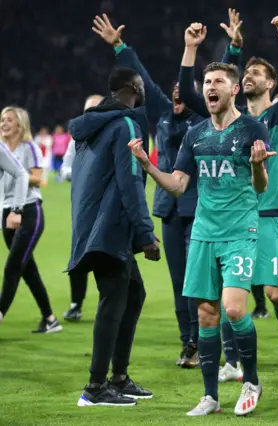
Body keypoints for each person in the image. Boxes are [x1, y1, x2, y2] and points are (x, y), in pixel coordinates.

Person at [130, 60, 270, 416]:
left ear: (234, 89)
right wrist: (148, 165)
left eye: (218, 81)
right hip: (205, 233)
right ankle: (210, 396)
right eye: (207, 81)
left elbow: (261, 187)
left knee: (235, 309)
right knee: (206, 316)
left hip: (240, 230)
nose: (211, 86)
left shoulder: (252, 127)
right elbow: (178, 185)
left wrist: (256, 166)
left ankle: (251, 380)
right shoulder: (196, 134)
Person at [178, 10, 278, 379]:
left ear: (269, 84)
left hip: (270, 219)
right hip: (234, 222)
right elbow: (192, 91)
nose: (249, 76)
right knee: (229, 299)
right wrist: (199, 50)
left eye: (257, 74)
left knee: (277, 294)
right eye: (245, 73)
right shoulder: (230, 122)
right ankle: (232, 362)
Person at [91, 13, 207, 368]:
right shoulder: (164, 115)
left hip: (196, 204)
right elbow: (141, 76)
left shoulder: (203, 119)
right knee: (177, 281)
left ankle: (207, 340)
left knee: (196, 280)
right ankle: (189, 342)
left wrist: (232, 49)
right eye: (172, 92)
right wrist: (119, 47)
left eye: (182, 92)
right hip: (169, 209)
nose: (176, 95)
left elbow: (219, 88)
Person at [69, 67, 160, 407]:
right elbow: (130, 182)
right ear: (134, 87)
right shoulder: (124, 125)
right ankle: (95, 388)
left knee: (133, 294)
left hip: (94, 226)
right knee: (114, 300)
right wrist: (146, 234)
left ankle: (118, 378)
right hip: (109, 229)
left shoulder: (94, 126)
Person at [0, 106, 62, 333]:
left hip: (29, 211)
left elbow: (37, 177)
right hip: (6, 213)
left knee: (13, 267)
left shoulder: (29, 148)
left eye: (9, 120)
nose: (3, 123)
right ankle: (50, 319)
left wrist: (18, 174)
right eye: (2, 119)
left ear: (20, 124)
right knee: (27, 269)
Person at [61, 94, 104, 323]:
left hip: (108, 208)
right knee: (78, 258)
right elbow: (64, 169)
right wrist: (82, 174)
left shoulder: (114, 136)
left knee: (108, 258)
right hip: (82, 209)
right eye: (88, 110)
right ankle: (76, 304)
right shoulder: (76, 139)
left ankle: (111, 304)